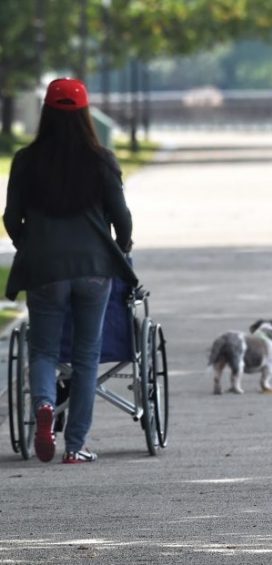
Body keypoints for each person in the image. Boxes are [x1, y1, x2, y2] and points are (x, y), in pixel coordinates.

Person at [3, 78, 136, 464]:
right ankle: (75, 445)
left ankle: (44, 405)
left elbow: (11, 217)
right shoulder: (101, 159)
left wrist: (27, 245)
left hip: (45, 268)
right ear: (84, 114)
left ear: (46, 112)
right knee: (86, 355)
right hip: (94, 268)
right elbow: (122, 220)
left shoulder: (26, 160)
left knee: (43, 349)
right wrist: (121, 251)